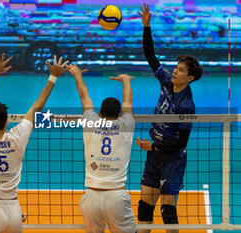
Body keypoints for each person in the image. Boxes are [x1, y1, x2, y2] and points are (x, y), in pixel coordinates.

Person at [0, 53, 69, 233]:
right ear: (7, 121)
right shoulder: (18, 135)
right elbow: (37, 107)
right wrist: (53, 76)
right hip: (15, 211)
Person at [135, 4, 203, 233]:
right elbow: (151, 56)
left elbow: (181, 143)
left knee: (167, 211)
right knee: (144, 207)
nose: (175, 71)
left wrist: (153, 145)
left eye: (181, 70)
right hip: (154, 155)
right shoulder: (166, 81)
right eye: (176, 67)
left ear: (190, 77)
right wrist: (147, 27)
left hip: (172, 159)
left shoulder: (186, 105)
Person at [67, 63, 136, 233]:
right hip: (116, 197)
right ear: (120, 113)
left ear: (100, 113)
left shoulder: (91, 120)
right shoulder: (127, 123)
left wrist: (77, 74)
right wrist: (126, 81)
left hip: (91, 197)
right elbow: (128, 101)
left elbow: (84, 96)